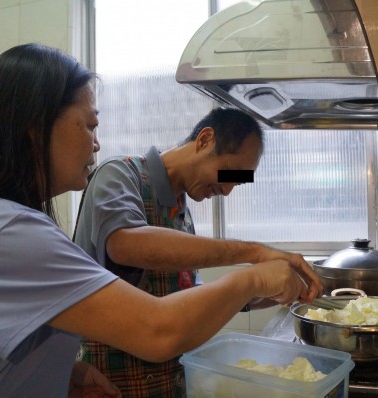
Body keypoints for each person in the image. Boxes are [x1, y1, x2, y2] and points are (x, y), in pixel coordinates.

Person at [0, 43, 322, 397]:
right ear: (34, 126)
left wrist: (58, 373)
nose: (96, 142)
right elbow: (132, 257)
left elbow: (189, 294)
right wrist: (255, 264)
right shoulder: (22, 223)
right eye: (90, 125)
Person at [73, 108, 323, 397]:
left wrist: (267, 293)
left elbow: (192, 295)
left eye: (237, 182)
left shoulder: (183, 215)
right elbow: (126, 244)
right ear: (205, 140)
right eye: (229, 172)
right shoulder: (119, 173)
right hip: (110, 385)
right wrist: (255, 254)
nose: (228, 191)